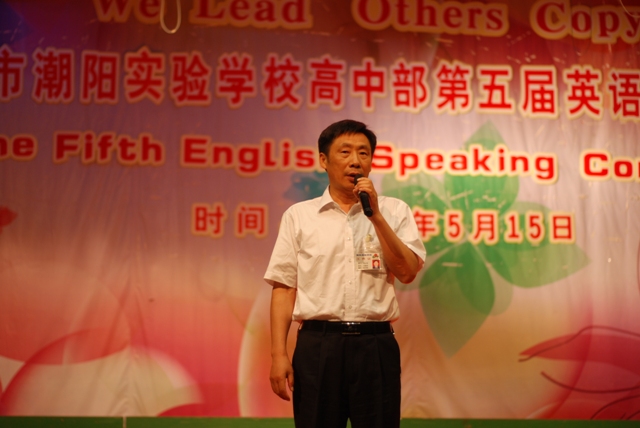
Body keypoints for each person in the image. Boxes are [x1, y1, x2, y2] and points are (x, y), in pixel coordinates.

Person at [264, 119, 426, 428]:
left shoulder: (395, 211)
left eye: (364, 153)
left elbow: (407, 272)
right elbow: (284, 288)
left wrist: (376, 216)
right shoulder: (299, 216)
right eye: (345, 152)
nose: (355, 161)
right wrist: (278, 354)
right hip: (317, 346)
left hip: (375, 345)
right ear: (323, 160)